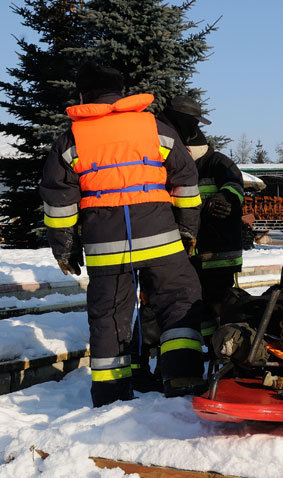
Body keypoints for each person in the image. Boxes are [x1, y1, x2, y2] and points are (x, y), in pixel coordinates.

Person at [40, 62, 206, 407]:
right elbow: (186, 179)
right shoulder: (154, 126)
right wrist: (188, 228)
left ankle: (111, 396)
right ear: (121, 91)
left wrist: (65, 249)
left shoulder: (71, 139)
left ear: (83, 95)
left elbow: (59, 202)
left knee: (108, 317)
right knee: (179, 302)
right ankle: (183, 379)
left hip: (106, 247)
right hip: (162, 240)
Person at [159, 95, 246, 349]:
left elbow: (235, 187)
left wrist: (226, 196)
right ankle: (207, 347)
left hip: (219, 256)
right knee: (198, 306)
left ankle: (224, 347)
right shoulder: (174, 168)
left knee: (218, 304)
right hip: (191, 254)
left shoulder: (220, 163)